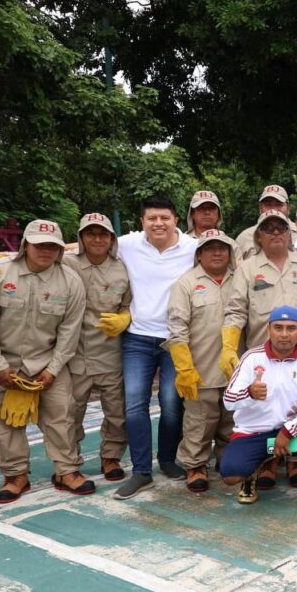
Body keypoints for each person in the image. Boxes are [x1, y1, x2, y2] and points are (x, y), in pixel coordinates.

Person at [0, 220, 89, 503]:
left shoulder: (71, 281)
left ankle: (66, 470)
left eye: (52, 246)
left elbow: (70, 330)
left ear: (59, 250)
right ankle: (15, 475)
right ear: (26, 245)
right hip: (0, 361)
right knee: (4, 420)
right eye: (39, 245)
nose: (45, 250)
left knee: (62, 414)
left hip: (48, 360)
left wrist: (53, 369)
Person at [221, 209, 297, 488]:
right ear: (258, 236)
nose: (275, 232)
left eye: (281, 228)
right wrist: (229, 345)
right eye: (268, 228)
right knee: (267, 408)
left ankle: (296, 460)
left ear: (289, 234)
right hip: (263, 358)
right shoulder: (247, 269)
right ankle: (269, 460)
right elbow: (236, 310)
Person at [113, 197, 198, 499]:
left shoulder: (192, 248)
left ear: (176, 220)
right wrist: (7, 257)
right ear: (142, 222)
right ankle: (141, 471)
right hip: (137, 337)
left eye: (164, 218)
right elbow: (80, 248)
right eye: (152, 218)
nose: (158, 223)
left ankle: (167, 459)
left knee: (171, 402)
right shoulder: (128, 244)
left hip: (176, 338)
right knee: (135, 402)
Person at [220, 306, 297, 514]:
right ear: (268, 329)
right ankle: (251, 473)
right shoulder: (251, 358)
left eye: (291, 328)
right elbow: (228, 400)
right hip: (256, 435)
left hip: (291, 437)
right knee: (231, 475)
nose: (284, 334)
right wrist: (249, 393)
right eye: (278, 327)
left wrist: (289, 430)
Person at [165, 230, 238, 493]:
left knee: (232, 419)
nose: (217, 253)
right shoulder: (185, 283)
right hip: (200, 369)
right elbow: (176, 327)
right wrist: (184, 368)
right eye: (210, 248)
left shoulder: (240, 279)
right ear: (199, 254)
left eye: (222, 248)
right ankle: (195, 465)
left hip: (235, 368)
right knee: (199, 422)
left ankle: (226, 459)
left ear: (230, 253)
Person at [62, 213, 132, 483]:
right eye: (91, 233)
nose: (97, 239)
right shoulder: (65, 263)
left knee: (117, 411)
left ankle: (111, 456)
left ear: (112, 238)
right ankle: (68, 463)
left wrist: (125, 318)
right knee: (69, 413)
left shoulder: (122, 269)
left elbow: (129, 304)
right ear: (81, 237)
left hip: (109, 352)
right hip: (74, 353)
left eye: (103, 234)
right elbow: (33, 255)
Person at [235, 185, 294, 261]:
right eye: (268, 205)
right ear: (260, 208)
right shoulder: (244, 238)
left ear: (288, 207)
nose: (273, 210)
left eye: (279, 204)